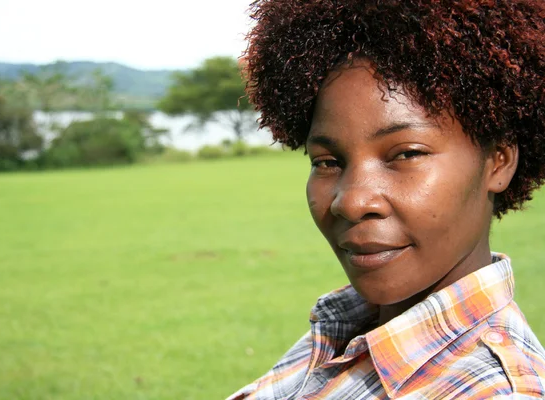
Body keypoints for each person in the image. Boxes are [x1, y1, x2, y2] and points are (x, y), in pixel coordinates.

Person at [228, 0, 545, 399]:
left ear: (498, 162)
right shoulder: (343, 335)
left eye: (407, 153)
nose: (352, 200)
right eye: (327, 161)